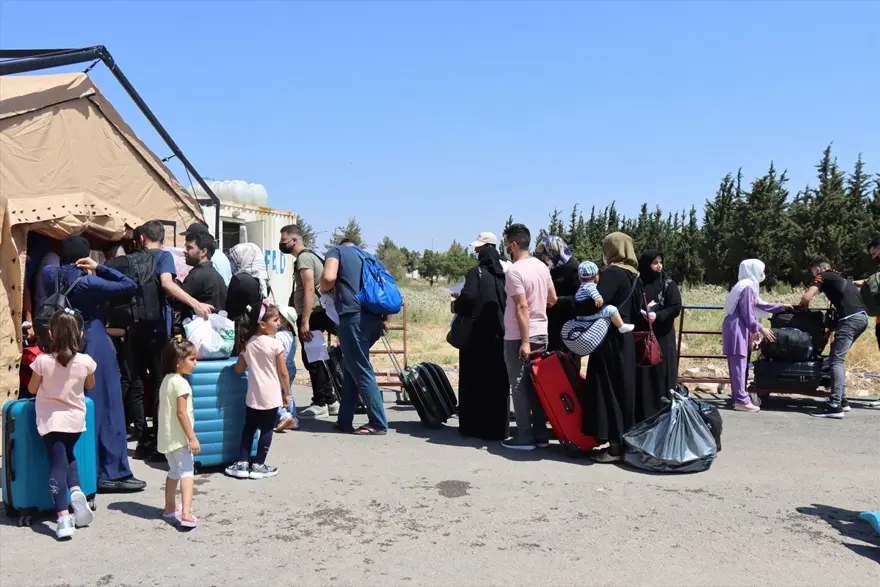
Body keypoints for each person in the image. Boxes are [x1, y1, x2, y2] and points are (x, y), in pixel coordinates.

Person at [41, 236, 146, 492]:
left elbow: (52, 269)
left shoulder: (49, 274)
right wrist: (99, 267)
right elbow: (129, 284)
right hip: (93, 338)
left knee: (71, 404)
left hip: (62, 342)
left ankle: (81, 466)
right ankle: (111, 470)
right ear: (85, 255)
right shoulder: (88, 282)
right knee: (106, 403)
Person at [556, 232, 640, 463]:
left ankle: (613, 448)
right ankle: (622, 443)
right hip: (624, 340)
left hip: (608, 340)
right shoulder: (634, 276)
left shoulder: (611, 273)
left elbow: (592, 305)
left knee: (607, 389)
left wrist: (561, 303)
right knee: (622, 390)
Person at [134, 221, 213, 460]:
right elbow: (167, 284)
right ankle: (160, 441)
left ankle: (142, 439)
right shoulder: (164, 258)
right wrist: (196, 304)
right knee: (161, 383)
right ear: (164, 239)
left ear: (140, 240)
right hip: (158, 328)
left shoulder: (133, 258)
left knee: (136, 384)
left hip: (133, 329)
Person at [27, 310, 97, 540]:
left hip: (51, 420)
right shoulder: (85, 361)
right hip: (75, 420)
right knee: (68, 455)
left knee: (56, 464)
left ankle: (63, 516)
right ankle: (76, 490)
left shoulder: (42, 362)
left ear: (51, 334)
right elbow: (90, 385)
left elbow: (31, 389)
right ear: (80, 334)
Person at [321, 239, 391, 436]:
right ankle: (344, 420)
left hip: (354, 318)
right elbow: (386, 287)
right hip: (374, 320)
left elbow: (328, 277)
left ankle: (378, 422)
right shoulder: (371, 258)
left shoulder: (336, 251)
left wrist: (324, 289)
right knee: (352, 367)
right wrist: (386, 319)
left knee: (360, 370)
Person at [500, 224, 557, 451]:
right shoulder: (542, 267)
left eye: (506, 244)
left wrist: (524, 340)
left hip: (519, 336)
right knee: (536, 386)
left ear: (513, 244)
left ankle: (524, 437)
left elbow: (521, 307)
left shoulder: (514, 271)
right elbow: (552, 298)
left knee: (519, 386)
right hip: (541, 333)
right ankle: (541, 435)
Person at [279, 225, 339, 419]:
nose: (282, 243)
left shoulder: (304, 258)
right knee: (317, 357)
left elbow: (309, 290)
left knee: (313, 358)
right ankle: (329, 401)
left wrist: (304, 321)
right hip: (319, 313)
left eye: (284, 240)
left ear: (294, 240)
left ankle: (321, 402)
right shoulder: (310, 256)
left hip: (312, 315)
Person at [452, 233, 508, 441]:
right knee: (497, 380)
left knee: (474, 379)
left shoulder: (475, 273)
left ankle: (473, 426)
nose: (476, 252)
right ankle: (497, 428)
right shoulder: (506, 272)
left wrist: (455, 305)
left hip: (476, 335)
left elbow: (468, 297)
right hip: (500, 332)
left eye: (478, 249)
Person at [226, 304, 290, 479]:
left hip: (253, 396)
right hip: (271, 396)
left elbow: (239, 369)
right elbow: (283, 372)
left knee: (249, 428)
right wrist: (287, 393)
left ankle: (242, 462)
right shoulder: (275, 344)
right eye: (276, 320)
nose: (279, 323)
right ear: (263, 324)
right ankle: (259, 465)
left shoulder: (249, 344)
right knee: (267, 429)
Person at [801, 256, 868, 419]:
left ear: (817, 269)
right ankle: (842, 401)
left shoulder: (822, 275)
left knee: (836, 360)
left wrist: (803, 306)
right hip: (862, 318)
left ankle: (834, 405)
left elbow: (806, 298)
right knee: (837, 358)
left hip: (849, 319)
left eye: (813, 272)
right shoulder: (841, 276)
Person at [723, 259, 788, 413]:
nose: (762, 274)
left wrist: (780, 307)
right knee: (739, 363)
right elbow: (747, 312)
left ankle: (738, 397)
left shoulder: (745, 285)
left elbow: (759, 304)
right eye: (760, 270)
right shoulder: (747, 287)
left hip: (737, 325)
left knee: (739, 363)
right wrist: (759, 328)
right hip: (737, 326)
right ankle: (741, 400)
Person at [634, 249, 682, 421]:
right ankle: (644, 417)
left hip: (663, 337)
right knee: (644, 378)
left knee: (662, 376)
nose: (659, 266)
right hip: (643, 338)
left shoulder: (668, 284)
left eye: (660, 262)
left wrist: (658, 316)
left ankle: (664, 416)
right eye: (655, 263)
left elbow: (675, 306)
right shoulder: (637, 284)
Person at [158, 338, 200, 528]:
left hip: (167, 438)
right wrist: (192, 437)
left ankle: (169, 507)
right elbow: (181, 413)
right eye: (192, 359)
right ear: (178, 362)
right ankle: (186, 512)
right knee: (186, 472)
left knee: (173, 471)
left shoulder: (167, 381)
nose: (195, 363)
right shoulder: (182, 384)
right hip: (180, 438)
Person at [535, 235, 581, 355]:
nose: (543, 258)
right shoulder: (553, 268)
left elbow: (579, 298)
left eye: (544, 254)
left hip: (568, 327)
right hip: (552, 325)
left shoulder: (572, 268)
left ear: (553, 251)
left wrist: (557, 301)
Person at [180, 231, 228, 317]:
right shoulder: (214, 273)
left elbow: (178, 302)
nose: (185, 251)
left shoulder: (197, 275)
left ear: (203, 252)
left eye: (189, 248)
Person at [226, 243, 269, 321]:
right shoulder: (262, 280)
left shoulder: (239, 280)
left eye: (234, 259)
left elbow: (229, 307)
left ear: (244, 258)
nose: (232, 263)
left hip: (240, 326)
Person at [274, 305, 299, 432]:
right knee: (288, 393)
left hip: (282, 366)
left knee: (277, 393)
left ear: (285, 321)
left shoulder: (279, 336)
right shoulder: (293, 337)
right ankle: (293, 418)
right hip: (291, 366)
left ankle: (284, 415)